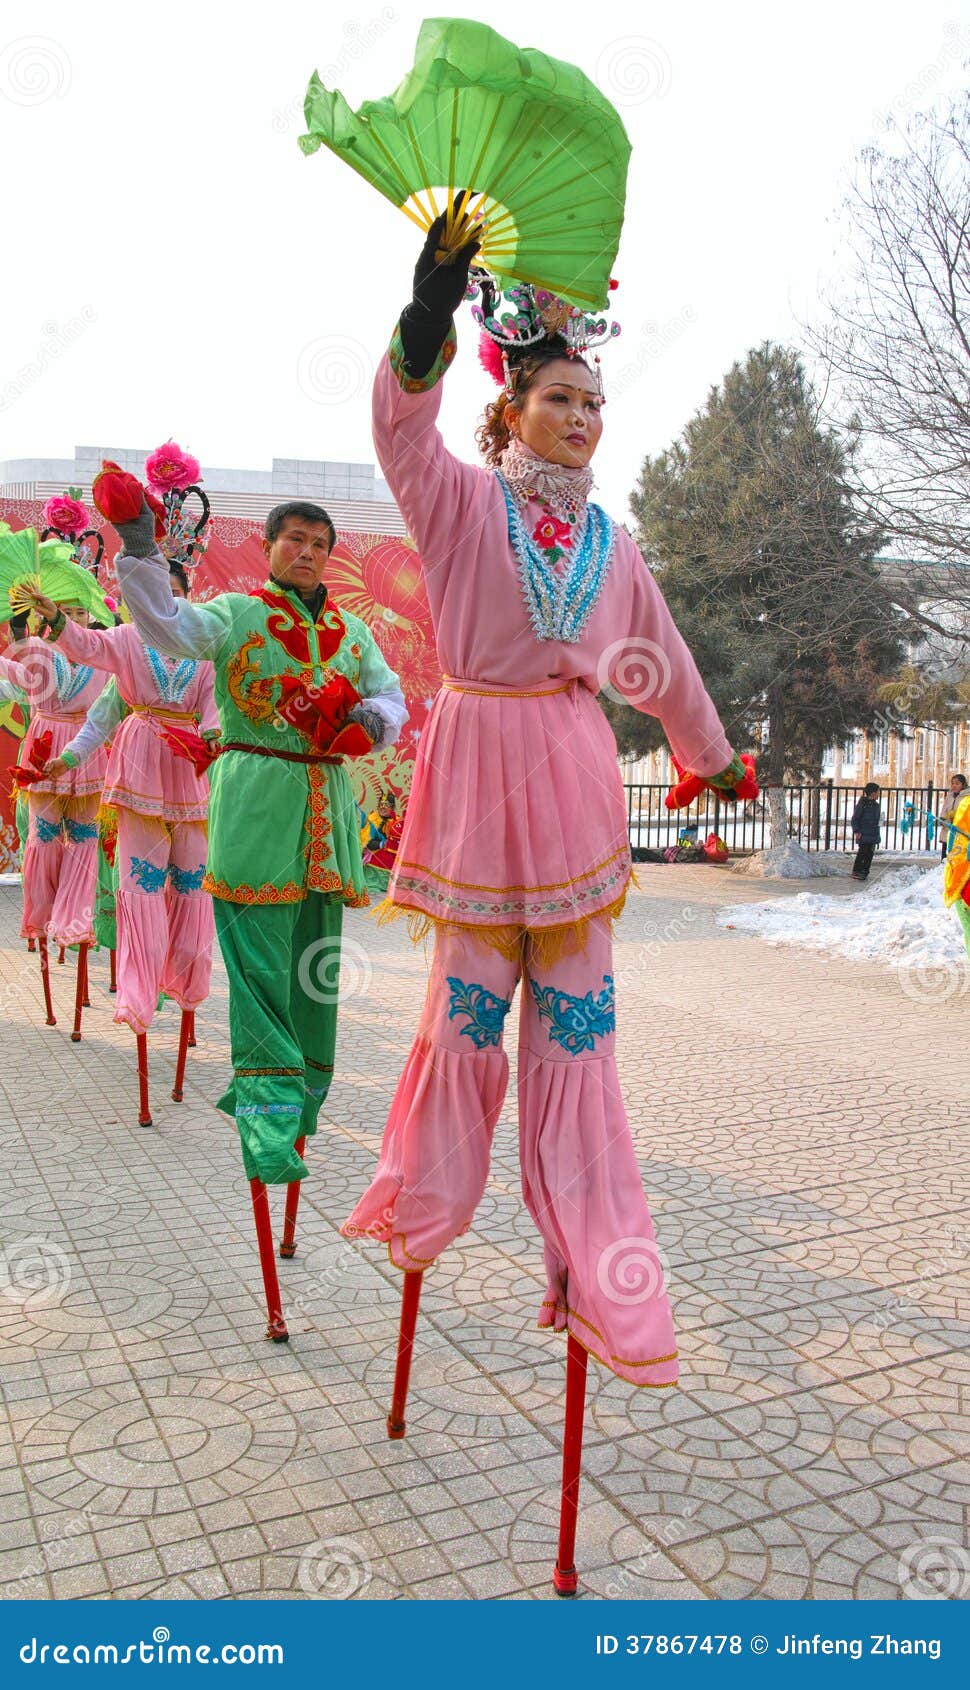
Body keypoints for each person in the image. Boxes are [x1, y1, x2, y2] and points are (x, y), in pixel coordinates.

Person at [343, 210, 756, 1388]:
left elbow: (652, 659)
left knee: (579, 1047)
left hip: (573, 792)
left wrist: (708, 753)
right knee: (464, 1030)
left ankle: (597, 1266)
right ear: (509, 407)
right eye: (559, 399)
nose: (580, 419)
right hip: (478, 783)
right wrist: (424, 314)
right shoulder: (458, 504)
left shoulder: (612, 546)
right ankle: (422, 1208)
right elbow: (396, 428)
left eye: (594, 404)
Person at [112, 500, 407, 1188]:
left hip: (325, 815)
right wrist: (140, 551)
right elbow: (167, 626)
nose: (306, 552)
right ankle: (267, 1125)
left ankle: (302, 1107)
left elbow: (392, 698)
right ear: (269, 547)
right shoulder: (235, 613)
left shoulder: (354, 630)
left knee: (316, 972)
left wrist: (373, 718)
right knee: (258, 973)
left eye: (319, 544)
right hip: (254, 802)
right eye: (294, 539)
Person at [31, 560, 219, 1034]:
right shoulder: (129, 640)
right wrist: (56, 619)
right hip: (138, 772)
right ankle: (137, 991)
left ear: (186, 596)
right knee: (142, 884)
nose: (164, 603)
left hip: (189, 770)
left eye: (174, 593)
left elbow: (216, 712)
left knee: (194, 881)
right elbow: (93, 672)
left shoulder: (206, 648)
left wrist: (217, 741)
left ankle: (186, 976)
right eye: (155, 594)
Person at [6, 603, 110, 948]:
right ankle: (42, 916)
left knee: (84, 839)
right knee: (43, 838)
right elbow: (18, 678)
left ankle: (74, 920)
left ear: (90, 616)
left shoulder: (102, 655)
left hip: (86, 749)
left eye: (81, 612)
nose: (75, 618)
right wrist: (17, 628)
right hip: (44, 748)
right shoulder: (39, 652)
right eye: (66, 610)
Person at [851, 782, 881, 881]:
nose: (878, 794)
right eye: (877, 792)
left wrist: (880, 822)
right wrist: (856, 830)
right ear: (872, 793)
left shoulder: (876, 805)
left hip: (873, 833)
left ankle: (865, 871)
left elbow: (877, 820)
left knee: (870, 854)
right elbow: (855, 818)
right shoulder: (862, 804)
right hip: (863, 833)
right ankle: (857, 871)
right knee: (862, 852)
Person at [940, 773, 968, 859]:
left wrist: (956, 813)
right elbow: (945, 807)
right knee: (946, 843)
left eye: (957, 783)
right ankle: (944, 862)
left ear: (963, 785)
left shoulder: (966, 796)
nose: (954, 786)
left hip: (960, 827)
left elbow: (966, 810)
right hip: (948, 825)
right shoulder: (950, 795)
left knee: (957, 847)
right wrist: (942, 818)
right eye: (952, 783)